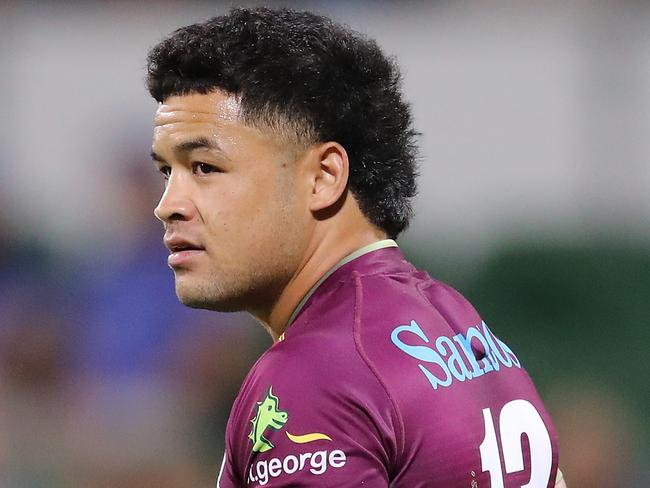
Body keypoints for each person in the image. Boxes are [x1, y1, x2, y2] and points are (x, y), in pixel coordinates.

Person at [146, 7, 566, 487]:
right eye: (166, 172)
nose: (168, 205)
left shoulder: (314, 376)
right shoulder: (462, 325)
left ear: (324, 178)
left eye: (204, 167)